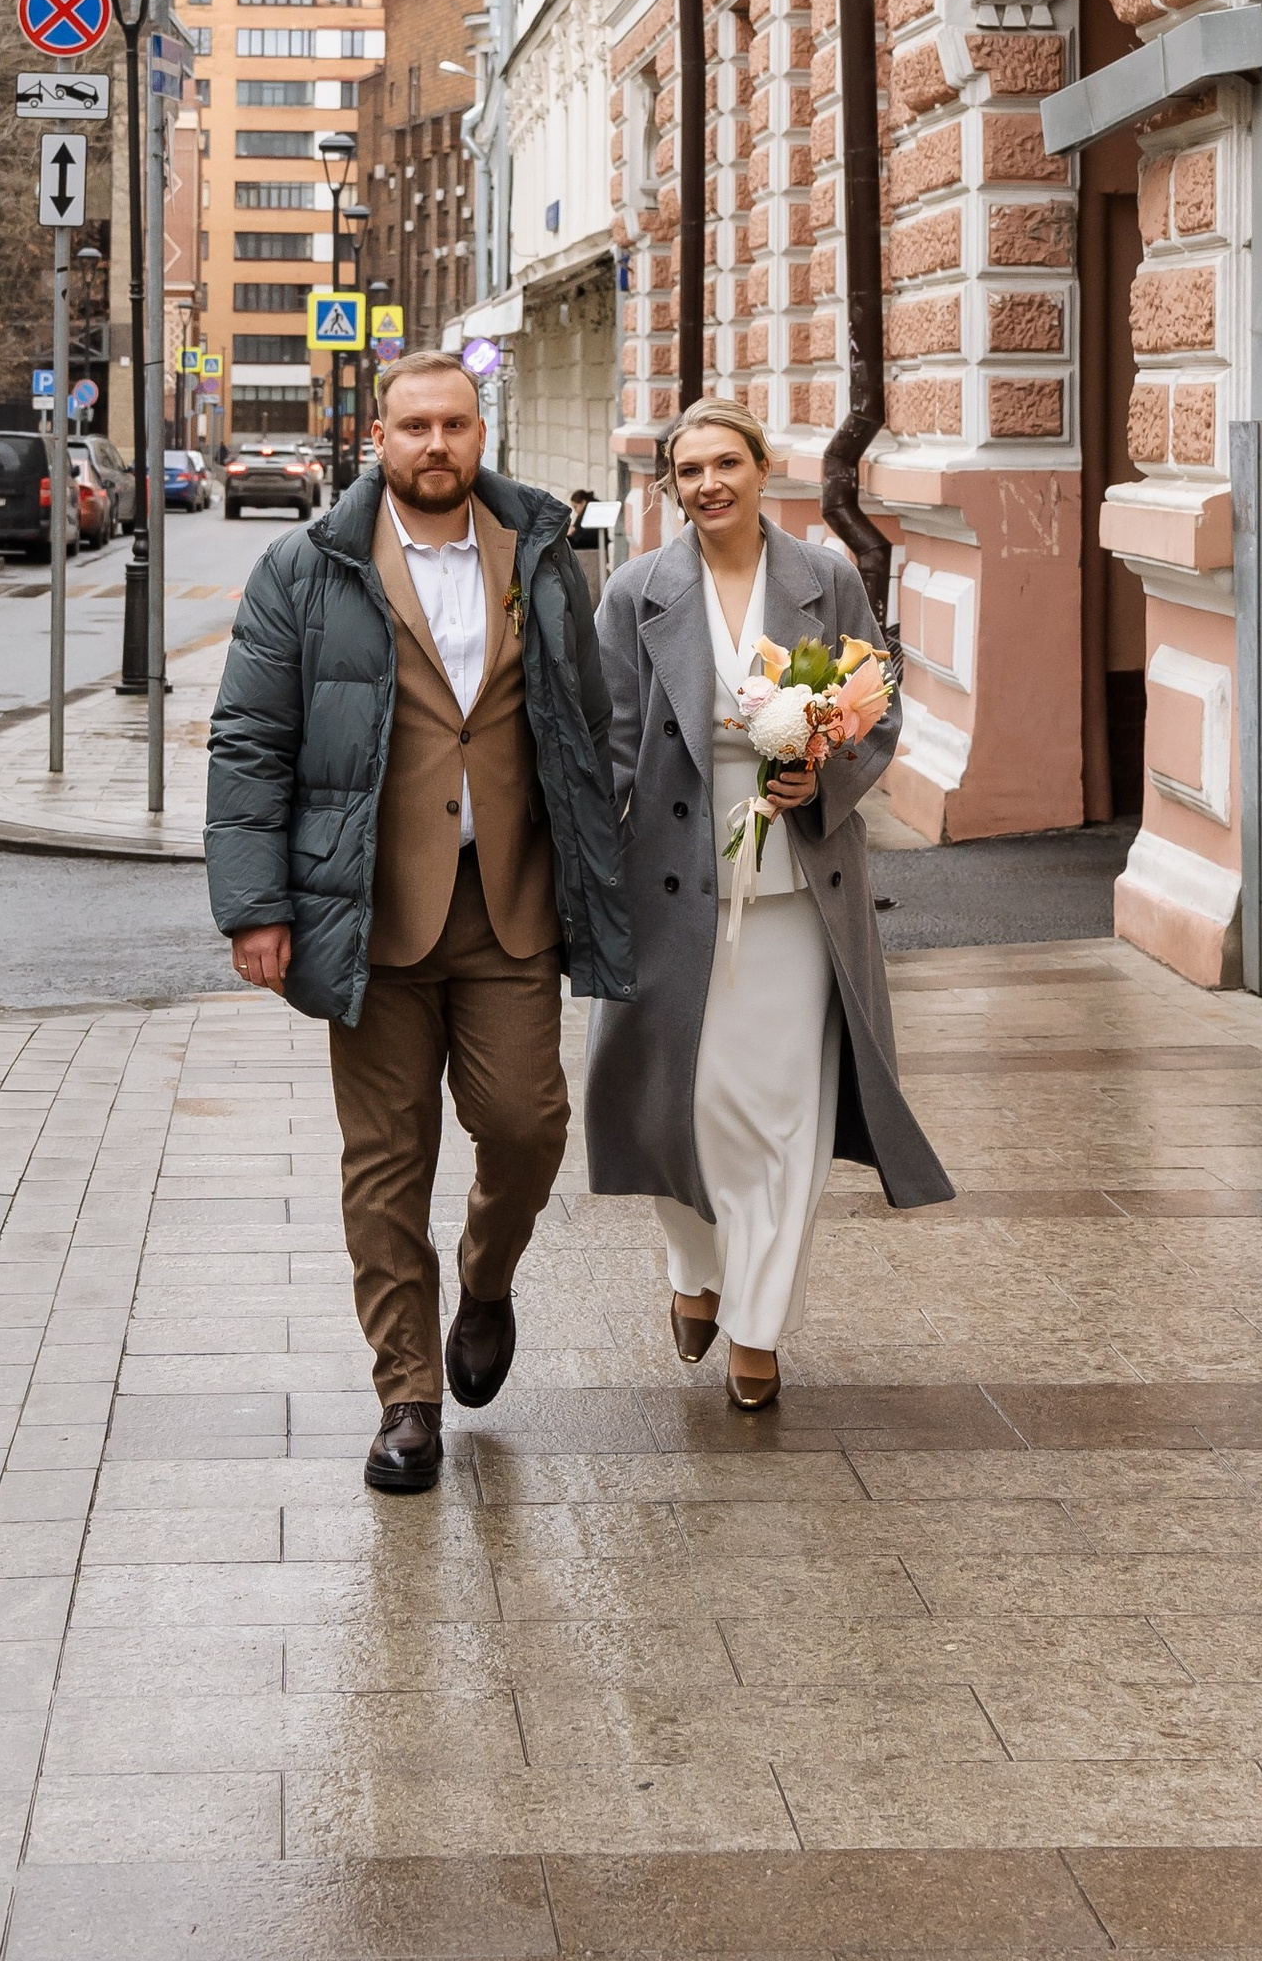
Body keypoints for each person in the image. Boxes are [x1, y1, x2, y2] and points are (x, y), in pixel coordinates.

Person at [205, 348, 632, 1497]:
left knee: (528, 1123)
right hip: (371, 912)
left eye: (454, 424)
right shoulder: (304, 567)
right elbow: (251, 741)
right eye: (413, 427)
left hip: (509, 905)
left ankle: (485, 1285)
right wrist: (256, 907)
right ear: (376, 440)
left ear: (480, 432)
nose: (434, 445)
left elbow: (584, 730)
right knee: (386, 1164)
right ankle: (407, 1396)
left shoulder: (539, 557)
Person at [584, 398, 952, 1409]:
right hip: (667, 876)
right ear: (672, 485)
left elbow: (876, 705)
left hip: (797, 875)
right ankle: (694, 1267)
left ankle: (757, 1326)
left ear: (760, 467)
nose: (708, 483)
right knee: (678, 1103)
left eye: (725, 463)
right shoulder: (636, 590)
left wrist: (821, 778)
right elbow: (610, 741)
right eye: (688, 469)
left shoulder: (822, 579)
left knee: (784, 1112)